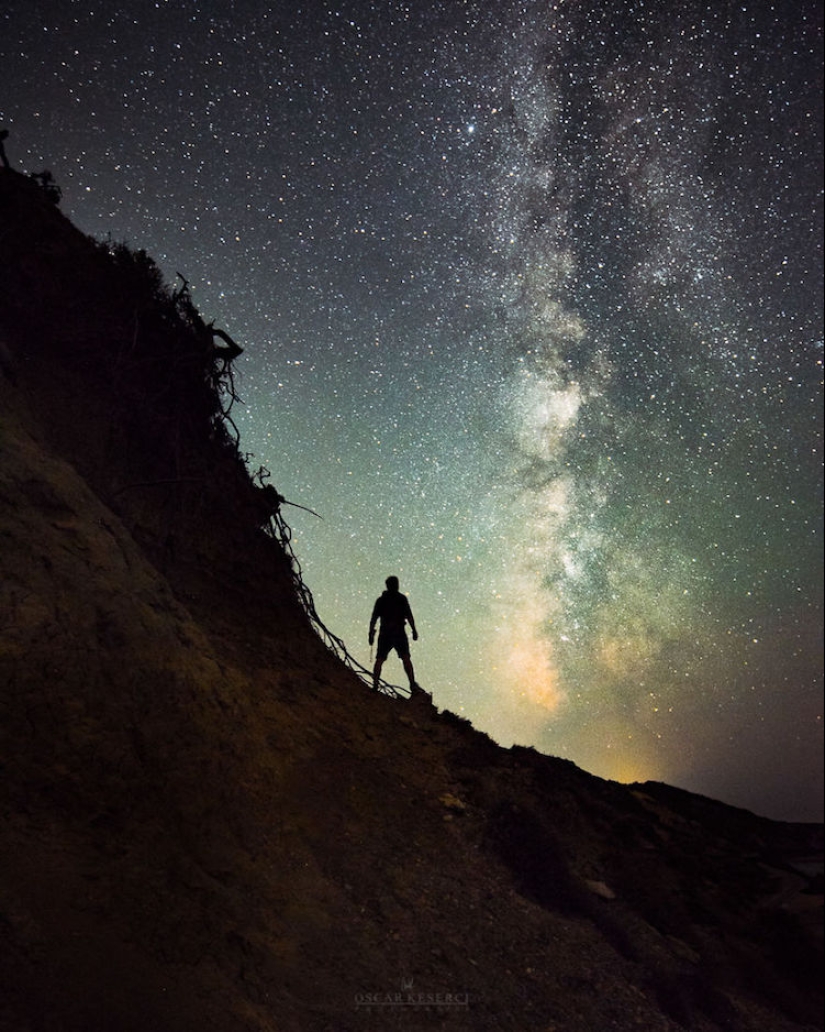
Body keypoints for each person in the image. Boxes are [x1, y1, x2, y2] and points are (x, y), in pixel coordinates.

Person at [368, 575, 419, 691]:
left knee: (380, 659)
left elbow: (374, 618)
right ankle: (412, 684)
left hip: (385, 633)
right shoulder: (401, 599)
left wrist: (370, 633)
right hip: (398, 632)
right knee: (405, 658)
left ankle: (375, 685)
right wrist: (414, 630)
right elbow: (409, 616)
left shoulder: (381, 600)